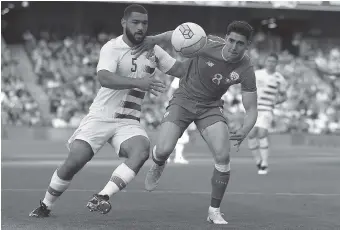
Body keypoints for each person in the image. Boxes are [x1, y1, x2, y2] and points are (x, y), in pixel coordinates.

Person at [29, 4, 180, 217]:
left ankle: (102, 196)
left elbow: (181, 70)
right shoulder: (112, 47)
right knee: (75, 161)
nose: (140, 27)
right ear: (124, 23)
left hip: (129, 120)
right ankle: (46, 205)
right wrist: (139, 83)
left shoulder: (154, 50)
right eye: (135, 22)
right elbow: (104, 78)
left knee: (141, 150)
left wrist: (194, 46)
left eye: (144, 23)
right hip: (101, 116)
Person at [133, 21, 258, 224]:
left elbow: (251, 108)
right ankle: (158, 163)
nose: (234, 47)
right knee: (163, 150)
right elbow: (178, 33)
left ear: (247, 45)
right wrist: (155, 39)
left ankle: (214, 211)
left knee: (223, 155)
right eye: (231, 40)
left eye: (240, 44)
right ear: (226, 38)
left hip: (210, 107)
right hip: (183, 99)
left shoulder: (246, 68)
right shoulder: (206, 42)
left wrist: (245, 129)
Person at [247, 53, 287, 175]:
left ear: (276, 63)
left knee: (261, 133)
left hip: (266, 109)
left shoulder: (279, 78)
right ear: (266, 62)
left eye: (273, 61)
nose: (270, 63)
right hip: (253, 108)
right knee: (251, 135)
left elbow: (284, 96)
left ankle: (264, 163)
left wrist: (277, 101)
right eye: (269, 61)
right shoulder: (257, 74)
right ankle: (258, 160)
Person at [167, 77, 190, 164]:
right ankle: (171, 156)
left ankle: (176, 156)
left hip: (186, 107)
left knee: (180, 133)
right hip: (178, 107)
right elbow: (170, 92)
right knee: (176, 132)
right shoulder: (180, 77)